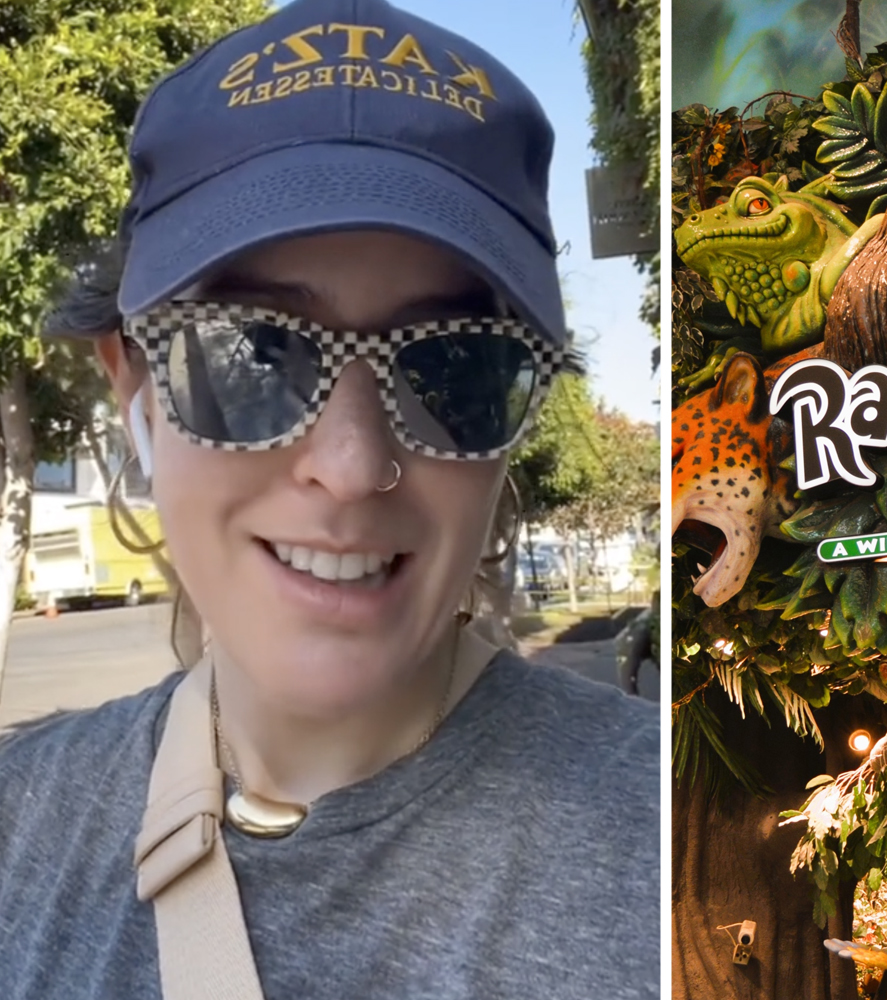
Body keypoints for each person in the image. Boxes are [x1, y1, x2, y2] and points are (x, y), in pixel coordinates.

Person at [0, 2, 660, 998]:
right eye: (251, 354)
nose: (351, 466)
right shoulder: (19, 831)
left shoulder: (681, 840)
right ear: (130, 385)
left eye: (454, 369)